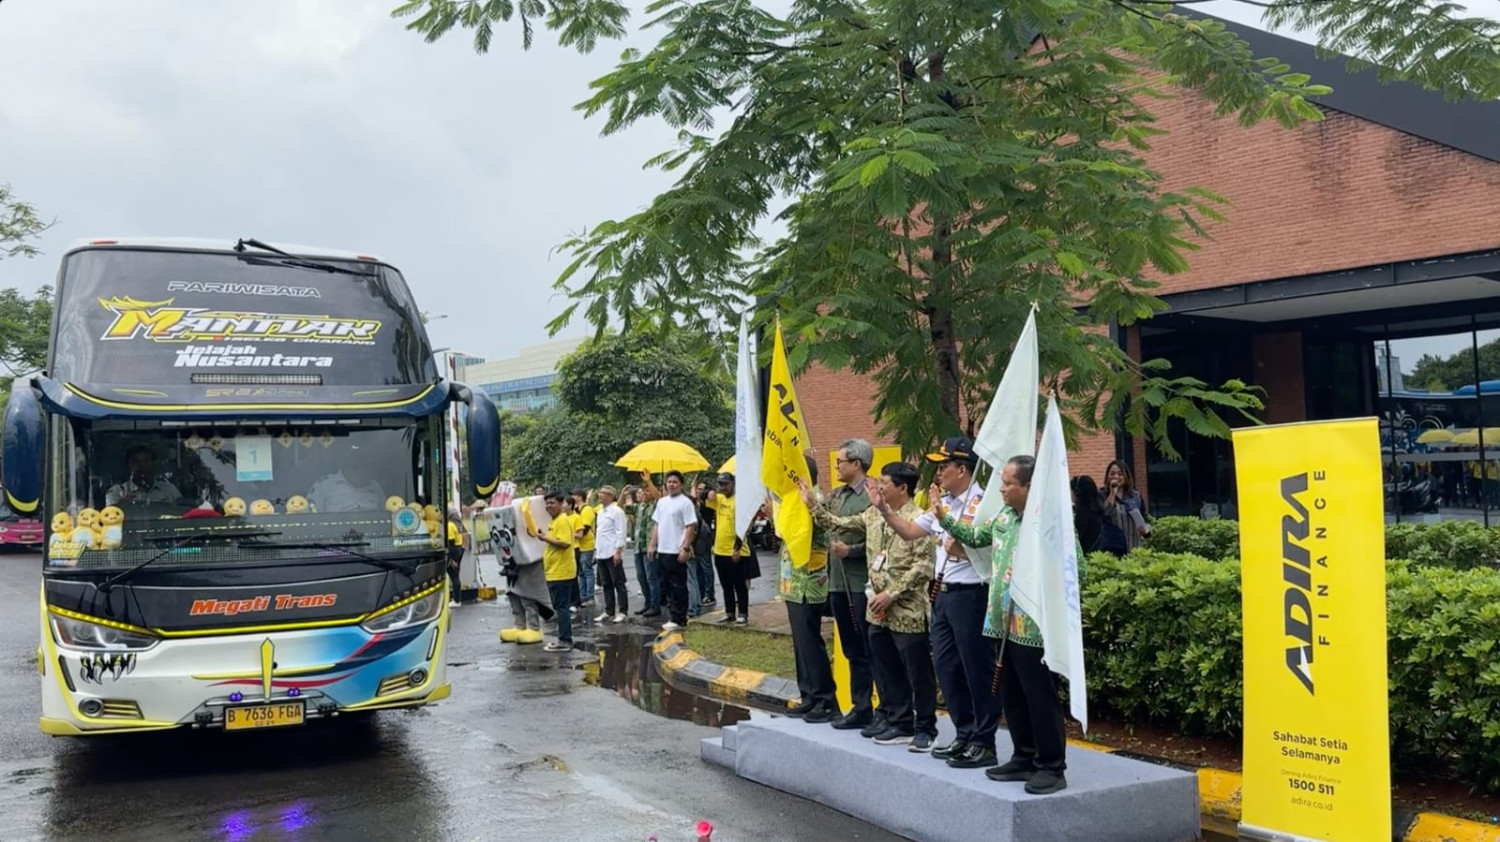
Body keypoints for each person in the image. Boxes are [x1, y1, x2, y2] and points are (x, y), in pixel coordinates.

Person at [941, 455, 1081, 796]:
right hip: (1001, 623)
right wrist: (944, 518)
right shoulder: (1004, 516)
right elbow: (976, 537)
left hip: (1033, 628)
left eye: (1008, 484)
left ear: (1029, 487)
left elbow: (1076, 567)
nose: (1001, 489)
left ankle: (1051, 766)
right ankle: (1023, 756)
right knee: (1012, 695)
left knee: (1039, 696)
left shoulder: (1049, 522)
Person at [880, 436, 1001, 769]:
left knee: (976, 668)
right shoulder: (942, 503)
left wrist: (963, 549)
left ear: (962, 469)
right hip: (944, 595)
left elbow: (988, 549)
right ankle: (964, 733)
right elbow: (909, 530)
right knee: (947, 668)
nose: (938, 473)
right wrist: (884, 510)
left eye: (944, 466)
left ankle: (984, 741)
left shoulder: (982, 504)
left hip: (971, 595)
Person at [805, 462, 939, 750]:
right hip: (877, 610)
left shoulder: (919, 519)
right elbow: (841, 524)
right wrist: (813, 506)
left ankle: (926, 727)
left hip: (907, 609)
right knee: (886, 667)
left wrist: (892, 593)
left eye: (885, 483)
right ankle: (899, 721)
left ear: (902, 488)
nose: (879, 487)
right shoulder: (874, 514)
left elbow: (923, 567)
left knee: (917, 671)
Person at [823, 439, 880, 733]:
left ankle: (886, 709)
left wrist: (852, 551)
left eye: (841, 462)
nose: (837, 466)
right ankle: (861, 707)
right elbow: (824, 522)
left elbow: (879, 539)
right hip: (837, 583)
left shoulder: (872, 496)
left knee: (871, 648)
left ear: (857, 464)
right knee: (851, 649)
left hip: (860, 584)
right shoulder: (837, 495)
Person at [780, 455, 838, 723]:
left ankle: (825, 700)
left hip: (810, 583)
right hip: (793, 583)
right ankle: (809, 696)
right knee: (801, 643)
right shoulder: (792, 500)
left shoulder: (816, 501)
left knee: (810, 642)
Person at [528, 492, 577, 653]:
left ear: (561, 504)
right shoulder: (554, 521)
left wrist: (544, 538)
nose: (549, 506)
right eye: (547, 503)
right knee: (560, 607)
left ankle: (565, 641)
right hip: (554, 571)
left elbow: (565, 543)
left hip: (561, 572)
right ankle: (563, 639)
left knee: (562, 608)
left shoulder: (562, 521)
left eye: (552, 503)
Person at [650, 470, 699, 631]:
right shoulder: (662, 502)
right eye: (669, 482)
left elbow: (690, 526)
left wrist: (685, 548)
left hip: (676, 550)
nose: (671, 485)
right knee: (667, 585)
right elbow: (657, 525)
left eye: (675, 482)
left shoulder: (685, 503)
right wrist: (652, 545)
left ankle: (680, 618)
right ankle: (673, 614)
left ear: (681, 485)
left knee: (678, 585)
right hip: (663, 549)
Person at [706, 472, 750, 625]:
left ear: (733, 484)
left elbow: (744, 527)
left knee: (739, 584)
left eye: (725, 484)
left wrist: (737, 548)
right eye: (720, 484)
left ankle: (743, 613)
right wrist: (711, 491)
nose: (722, 487)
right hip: (720, 550)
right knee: (726, 585)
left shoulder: (739, 502)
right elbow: (698, 496)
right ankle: (729, 612)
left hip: (735, 551)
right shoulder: (719, 499)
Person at [593, 485, 630, 623]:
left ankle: (623, 611)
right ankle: (609, 610)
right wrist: (596, 551)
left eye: (603, 493)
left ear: (610, 496)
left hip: (612, 551)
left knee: (618, 582)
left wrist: (618, 551)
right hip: (601, 552)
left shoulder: (617, 511)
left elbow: (621, 532)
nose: (600, 495)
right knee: (606, 583)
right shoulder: (600, 512)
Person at [106, 446, 183, 506]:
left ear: (153, 464)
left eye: (145, 461)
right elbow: (110, 517)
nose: (141, 466)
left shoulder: (170, 491)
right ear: (129, 465)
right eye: (136, 462)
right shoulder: (117, 493)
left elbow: (182, 514)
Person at [1102, 460, 1150, 552]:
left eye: (1120, 474)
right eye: (1112, 474)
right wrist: (1112, 493)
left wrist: (1146, 531)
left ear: (1126, 476)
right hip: (1113, 548)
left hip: (1135, 547)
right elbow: (1104, 516)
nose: (1116, 477)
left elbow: (1144, 519)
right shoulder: (1102, 495)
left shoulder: (1135, 496)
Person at [630, 481, 663, 618]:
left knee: (651, 577)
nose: (644, 493)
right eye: (643, 491)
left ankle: (656, 606)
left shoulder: (656, 506)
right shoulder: (639, 507)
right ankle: (647, 603)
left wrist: (649, 481)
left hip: (650, 546)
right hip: (638, 546)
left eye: (647, 490)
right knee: (641, 576)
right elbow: (621, 508)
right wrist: (622, 495)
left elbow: (659, 497)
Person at [572, 490, 599, 610]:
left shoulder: (587, 510)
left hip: (587, 545)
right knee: (581, 572)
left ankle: (589, 597)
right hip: (578, 545)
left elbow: (585, 529)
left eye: (574, 495)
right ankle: (583, 597)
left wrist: (571, 534)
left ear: (579, 497)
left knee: (587, 571)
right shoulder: (576, 510)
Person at [446, 507, 467, 608]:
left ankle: (457, 600)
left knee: (453, 577)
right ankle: (457, 599)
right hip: (459, 550)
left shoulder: (449, 525)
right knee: (455, 576)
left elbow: (450, 543)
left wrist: (451, 559)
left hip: (453, 552)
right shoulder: (458, 525)